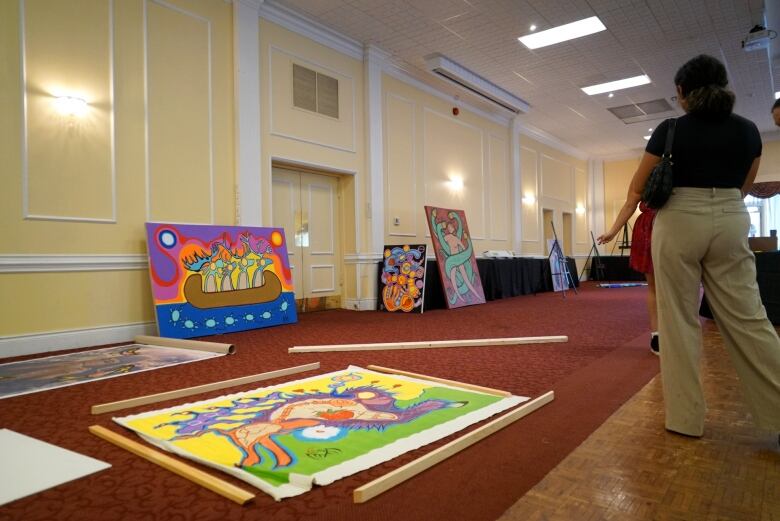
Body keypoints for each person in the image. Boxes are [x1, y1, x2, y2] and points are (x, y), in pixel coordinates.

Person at [643, 54, 780, 439]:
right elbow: (745, 187)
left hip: (679, 217)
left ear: (682, 92)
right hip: (731, 214)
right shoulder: (750, 131)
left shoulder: (669, 129)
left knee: (679, 320)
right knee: (750, 319)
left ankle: (685, 420)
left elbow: (640, 185)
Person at [598, 201, 659, 355]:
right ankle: (657, 336)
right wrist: (612, 232)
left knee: (676, 285)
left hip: (676, 222)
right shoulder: (645, 176)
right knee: (654, 286)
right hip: (650, 227)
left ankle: (676, 333)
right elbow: (630, 203)